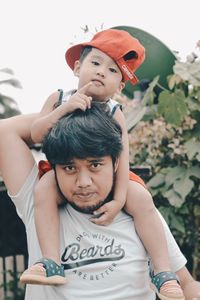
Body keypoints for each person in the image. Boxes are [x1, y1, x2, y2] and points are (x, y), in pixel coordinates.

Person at [18, 28, 184, 299]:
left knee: (141, 197)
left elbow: (122, 159)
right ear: (77, 67)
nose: (100, 72)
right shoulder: (58, 97)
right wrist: (65, 108)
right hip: (63, 172)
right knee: (43, 189)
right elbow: (36, 134)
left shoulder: (113, 112)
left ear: (120, 86)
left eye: (112, 70)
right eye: (95, 63)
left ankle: (164, 272)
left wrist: (119, 199)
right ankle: (50, 262)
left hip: (109, 176)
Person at [0, 104, 200, 300]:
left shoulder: (141, 211)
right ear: (55, 170)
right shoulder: (40, 204)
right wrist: (69, 109)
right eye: (69, 168)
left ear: (115, 163)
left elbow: (186, 284)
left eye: (95, 165)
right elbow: (5, 131)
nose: (83, 183)